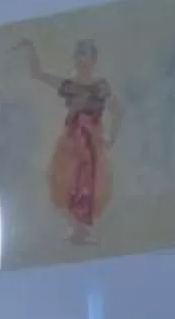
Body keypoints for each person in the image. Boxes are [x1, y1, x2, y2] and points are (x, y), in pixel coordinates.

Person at [22, 36, 121, 244]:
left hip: (91, 143)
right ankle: (76, 229)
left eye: (85, 56)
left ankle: (83, 230)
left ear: (93, 59)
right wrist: (31, 48)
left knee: (89, 182)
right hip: (71, 142)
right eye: (78, 56)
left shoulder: (100, 87)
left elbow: (117, 109)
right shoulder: (70, 85)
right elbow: (38, 73)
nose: (81, 60)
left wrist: (112, 137)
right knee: (67, 181)